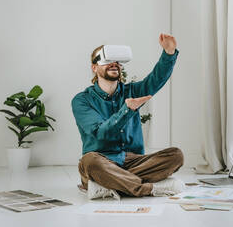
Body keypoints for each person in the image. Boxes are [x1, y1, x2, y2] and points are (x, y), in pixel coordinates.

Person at [71, 34, 185, 199]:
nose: (114, 64)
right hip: (103, 161)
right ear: (94, 68)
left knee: (176, 155)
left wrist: (169, 52)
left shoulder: (132, 91)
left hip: (134, 161)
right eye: (107, 60)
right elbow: (100, 133)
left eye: (117, 61)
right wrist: (127, 110)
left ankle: (109, 184)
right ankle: (146, 188)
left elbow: (156, 79)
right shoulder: (82, 100)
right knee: (89, 162)